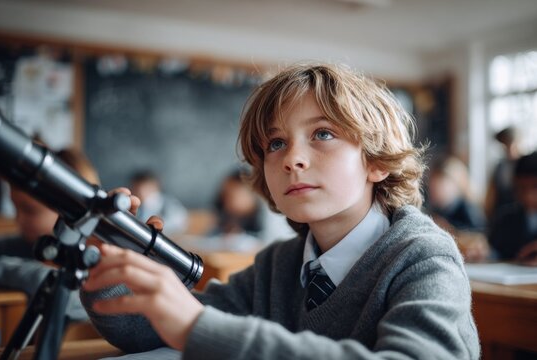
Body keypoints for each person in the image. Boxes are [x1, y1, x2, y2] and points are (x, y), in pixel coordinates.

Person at [80, 64, 480, 359]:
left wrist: (198, 328)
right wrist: (109, 264)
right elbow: (145, 331)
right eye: (275, 144)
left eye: (323, 134)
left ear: (377, 162)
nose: (293, 159)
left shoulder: (424, 257)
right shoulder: (278, 265)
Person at [0, 148, 100, 321]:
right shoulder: (32, 243)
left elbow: (65, 290)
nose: (18, 219)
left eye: (29, 210)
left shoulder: (94, 253)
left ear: (71, 209)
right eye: (16, 208)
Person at [426, 155, 489, 262]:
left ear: (456, 185)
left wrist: (449, 229)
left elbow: (479, 237)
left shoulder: (468, 209)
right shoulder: (435, 209)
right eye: (433, 185)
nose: (435, 190)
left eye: (441, 185)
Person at [212, 168, 295, 242]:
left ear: (250, 192)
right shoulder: (230, 215)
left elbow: (271, 241)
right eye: (224, 196)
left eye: (230, 196)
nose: (226, 203)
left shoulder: (271, 211)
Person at [488, 151, 537, 266]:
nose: (528, 196)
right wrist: (485, 252)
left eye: (535, 187)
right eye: (522, 188)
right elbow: (495, 251)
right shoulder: (505, 218)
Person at [130, 170, 188, 235]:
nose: (138, 192)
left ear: (154, 187)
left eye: (144, 188)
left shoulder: (169, 204)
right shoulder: (135, 205)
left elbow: (179, 223)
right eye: (135, 188)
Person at [484, 126, 521, 221]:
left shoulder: (525, 165)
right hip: (501, 210)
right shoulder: (500, 167)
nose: (509, 149)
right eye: (505, 145)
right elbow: (492, 193)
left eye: (511, 144)